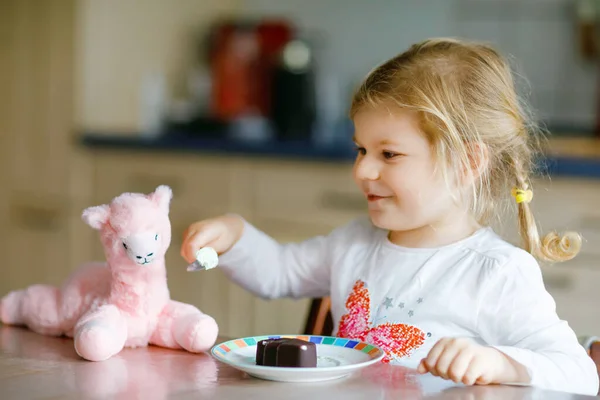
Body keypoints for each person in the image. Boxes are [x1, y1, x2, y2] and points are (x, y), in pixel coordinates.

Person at [181, 38, 599, 395]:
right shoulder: (353, 244)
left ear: (468, 163)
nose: (362, 170)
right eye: (361, 149)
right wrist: (236, 235)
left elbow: (579, 374)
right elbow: (280, 272)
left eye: (389, 154)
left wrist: (502, 364)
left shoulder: (496, 273)